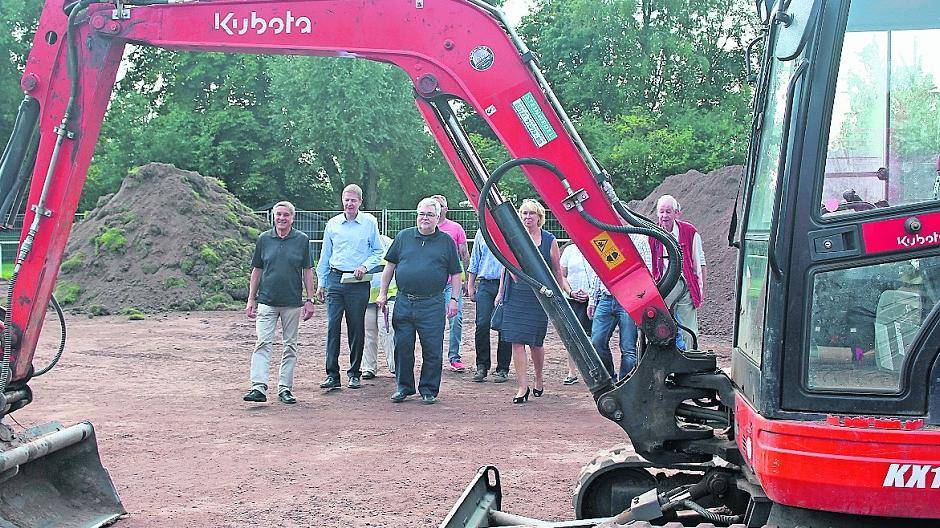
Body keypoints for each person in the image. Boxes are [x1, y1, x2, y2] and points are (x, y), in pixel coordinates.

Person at [377, 198, 461, 405]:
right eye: (422, 214)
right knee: (403, 346)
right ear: (417, 215)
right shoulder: (403, 237)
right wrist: (382, 293)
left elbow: (456, 274)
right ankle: (404, 387)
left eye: (430, 215)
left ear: (438, 217)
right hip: (404, 302)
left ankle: (428, 390)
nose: (425, 218)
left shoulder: (446, 242)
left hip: (432, 303)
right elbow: (389, 267)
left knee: (432, 349)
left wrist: (453, 300)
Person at [243, 201, 316, 405]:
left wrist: (310, 300)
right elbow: (256, 270)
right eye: (278, 215)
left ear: (292, 218)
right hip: (267, 300)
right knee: (263, 342)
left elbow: (307, 271)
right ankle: (258, 386)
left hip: (292, 303)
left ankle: (285, 388)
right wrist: (251, 299)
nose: (282, 218)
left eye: (286, 215)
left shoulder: (302, 240)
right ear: (273, 217)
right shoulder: (264, 239)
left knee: (290, 346)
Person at [498, 199, 570, 404]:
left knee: (536, 343)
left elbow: (556, 269)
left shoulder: (549, 240)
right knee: (516, 341)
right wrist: (501, 292)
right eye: (524, 213)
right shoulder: (514, 238)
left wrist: (560, 295)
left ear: (539, 216)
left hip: (540, 296)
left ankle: (539, 378)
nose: (527, 217)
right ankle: (522, 386)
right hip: (516, 294)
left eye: (531, 213)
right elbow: (507, 267)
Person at [316, 184, 384, 390]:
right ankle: (332, 374)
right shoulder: (333, 224)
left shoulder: (369, 223)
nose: (349, 203)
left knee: (356, 327)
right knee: (333, 326)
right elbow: (325, 255)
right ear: (342, 201)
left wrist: (364, 266)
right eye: (346, 200)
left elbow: (378, 251)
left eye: (353, 200)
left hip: (358, 282)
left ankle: (355, 372)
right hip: (336, 279)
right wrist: (322, 282)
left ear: (360, 202)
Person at [587, 233, 652, 380]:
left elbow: (646, 271)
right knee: (597, 341)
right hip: (606, 297)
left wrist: (641, 301)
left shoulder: (639, 240)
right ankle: (609, 379)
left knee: (628, 347)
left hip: (629, 299)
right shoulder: (605, 237)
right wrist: (593, 299)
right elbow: (599, 269)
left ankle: (625, 383)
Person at [649, 195, 706, 348]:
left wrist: (699, 289)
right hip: (664, 287)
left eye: (668, 211)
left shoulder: (689, 232)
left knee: (689, 331)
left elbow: (699, 263)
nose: (664, 216)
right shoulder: (651, 234)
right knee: (663, 330)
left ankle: (691, 360)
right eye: (661, 212)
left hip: (685, 286)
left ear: (676, 213)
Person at [466, 229, 512, 383]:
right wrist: (471, 285)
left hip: (506, 283)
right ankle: (482, 366)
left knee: (504, 326)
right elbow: (475, 259)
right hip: (485, 283)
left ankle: (503, 368)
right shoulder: (482, 232)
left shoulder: (507, 227)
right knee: (482, 324)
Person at [431, 195, 470, 372]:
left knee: (455, 318)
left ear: (446, 209)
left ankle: (454, 357)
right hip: (431, 284)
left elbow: (464, 254)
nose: (438, 209)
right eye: (435, 206)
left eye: (441, 206)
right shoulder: (425, 228)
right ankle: (434, 357)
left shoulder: (455, 228)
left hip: (450, 283)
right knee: (433, 321)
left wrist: (468, 280)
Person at [362, 234, 397, 379]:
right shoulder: (361, 243)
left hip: (388, 294)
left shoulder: (388, 242)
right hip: (365, 295)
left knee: (387, 329)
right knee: (367, 331)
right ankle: (368, 367)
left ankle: (395, 366)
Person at [559, 242, 592, 385]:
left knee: (593, 337)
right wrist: (570, 292)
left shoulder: (596, 246)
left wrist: (591, 294)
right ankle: (572, 372)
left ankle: (594, 371)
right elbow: (562, 275)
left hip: (593, 300)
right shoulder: (569, 250)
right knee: (573, 336)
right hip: (572, 299)